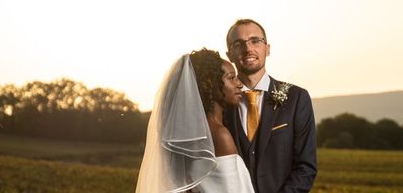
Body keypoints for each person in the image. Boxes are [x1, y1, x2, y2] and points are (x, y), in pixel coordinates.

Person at [135, 48, 255, 193]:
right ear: (209, 84)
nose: (239, 84)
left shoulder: (187, 134)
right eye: (231, 78)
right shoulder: (220, 135)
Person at [224, 19, 317, 193]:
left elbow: (306, 167)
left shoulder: (297, 98)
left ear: (267, 48)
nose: (248, 49)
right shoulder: (220, 104)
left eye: (255, 41)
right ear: (229, 54)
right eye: (239, 44)